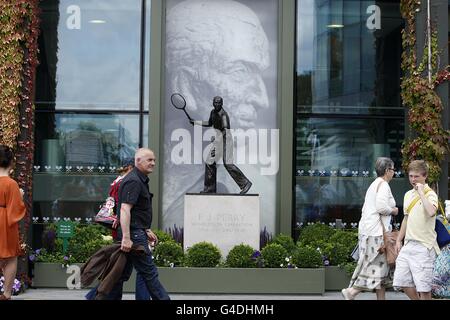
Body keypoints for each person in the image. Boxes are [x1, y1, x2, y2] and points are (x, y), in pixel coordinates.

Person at [162, 0, 277, 231]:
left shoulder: (269, 197)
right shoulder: (162, 185)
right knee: (214, 162)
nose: (262, 99)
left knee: (224, 162)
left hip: (223, 142)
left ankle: (242, 184)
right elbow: (209, 123)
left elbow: (222, 129)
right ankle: (212, 187)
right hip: (217, 141)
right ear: (186, 84)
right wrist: (196, 122)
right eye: (240, 71)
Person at [106, 148, 170, 300]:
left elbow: (136, 211)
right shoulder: (134, 180)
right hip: (133, 235)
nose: (153, 163)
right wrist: (127, 237)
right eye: (149, 160)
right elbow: (125, 209)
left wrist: (145, 229)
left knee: (120, 274)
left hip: (135, 232)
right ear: (138, 161)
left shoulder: (139, 179)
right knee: (149, 273)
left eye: (154, 160)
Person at [86, 158, 151, 300]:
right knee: (137, 271)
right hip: (128, 230)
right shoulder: (128, 182)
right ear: (130, 167)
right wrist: (144, 229)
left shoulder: (117, 181)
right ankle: (93, 296)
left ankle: (94, 296)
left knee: (120, 271)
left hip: (122, 230)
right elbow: (127, 208)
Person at [341, 157, 398, 300]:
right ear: (387, 171)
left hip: (369, 231)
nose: (394, 172)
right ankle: (352, 292)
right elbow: (381, 207)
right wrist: (393, 210)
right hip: (377, 234)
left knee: (381, 270)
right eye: (393, 169)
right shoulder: (383, 185)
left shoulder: (374, 184)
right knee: (375, 267)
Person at [393, 160, 439, 300]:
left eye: (417, 176)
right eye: (411, 176)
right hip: (408, 245)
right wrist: (399, 240)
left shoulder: (430, 194)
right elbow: (406, 219)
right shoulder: (408, 195)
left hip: (424, 247)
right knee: (401, 281)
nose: (413, 179)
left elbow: (431, 211)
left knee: (424, 289)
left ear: (424, 176)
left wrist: (421, 193)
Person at [189, 96, 252, 194]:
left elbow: (225, 131)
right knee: (209, 162)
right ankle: (209, 189)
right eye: (215, 102)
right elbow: (209, 123)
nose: (217, 104)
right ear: (213, 103)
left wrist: (216, 138)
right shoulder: (213, 112)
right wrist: (196, 122)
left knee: (228, 164)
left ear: (222, 104)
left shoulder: (223, 115)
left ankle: (245, 183)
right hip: (219, 141)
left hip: (226, 140)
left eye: (219, 102)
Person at [0, 145, 26, 300]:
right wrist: (20, 195)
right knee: (10, 257)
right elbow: (16, 209)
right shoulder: (11, 184)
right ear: (10, 163)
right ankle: (7, 293)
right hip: (5, 222)